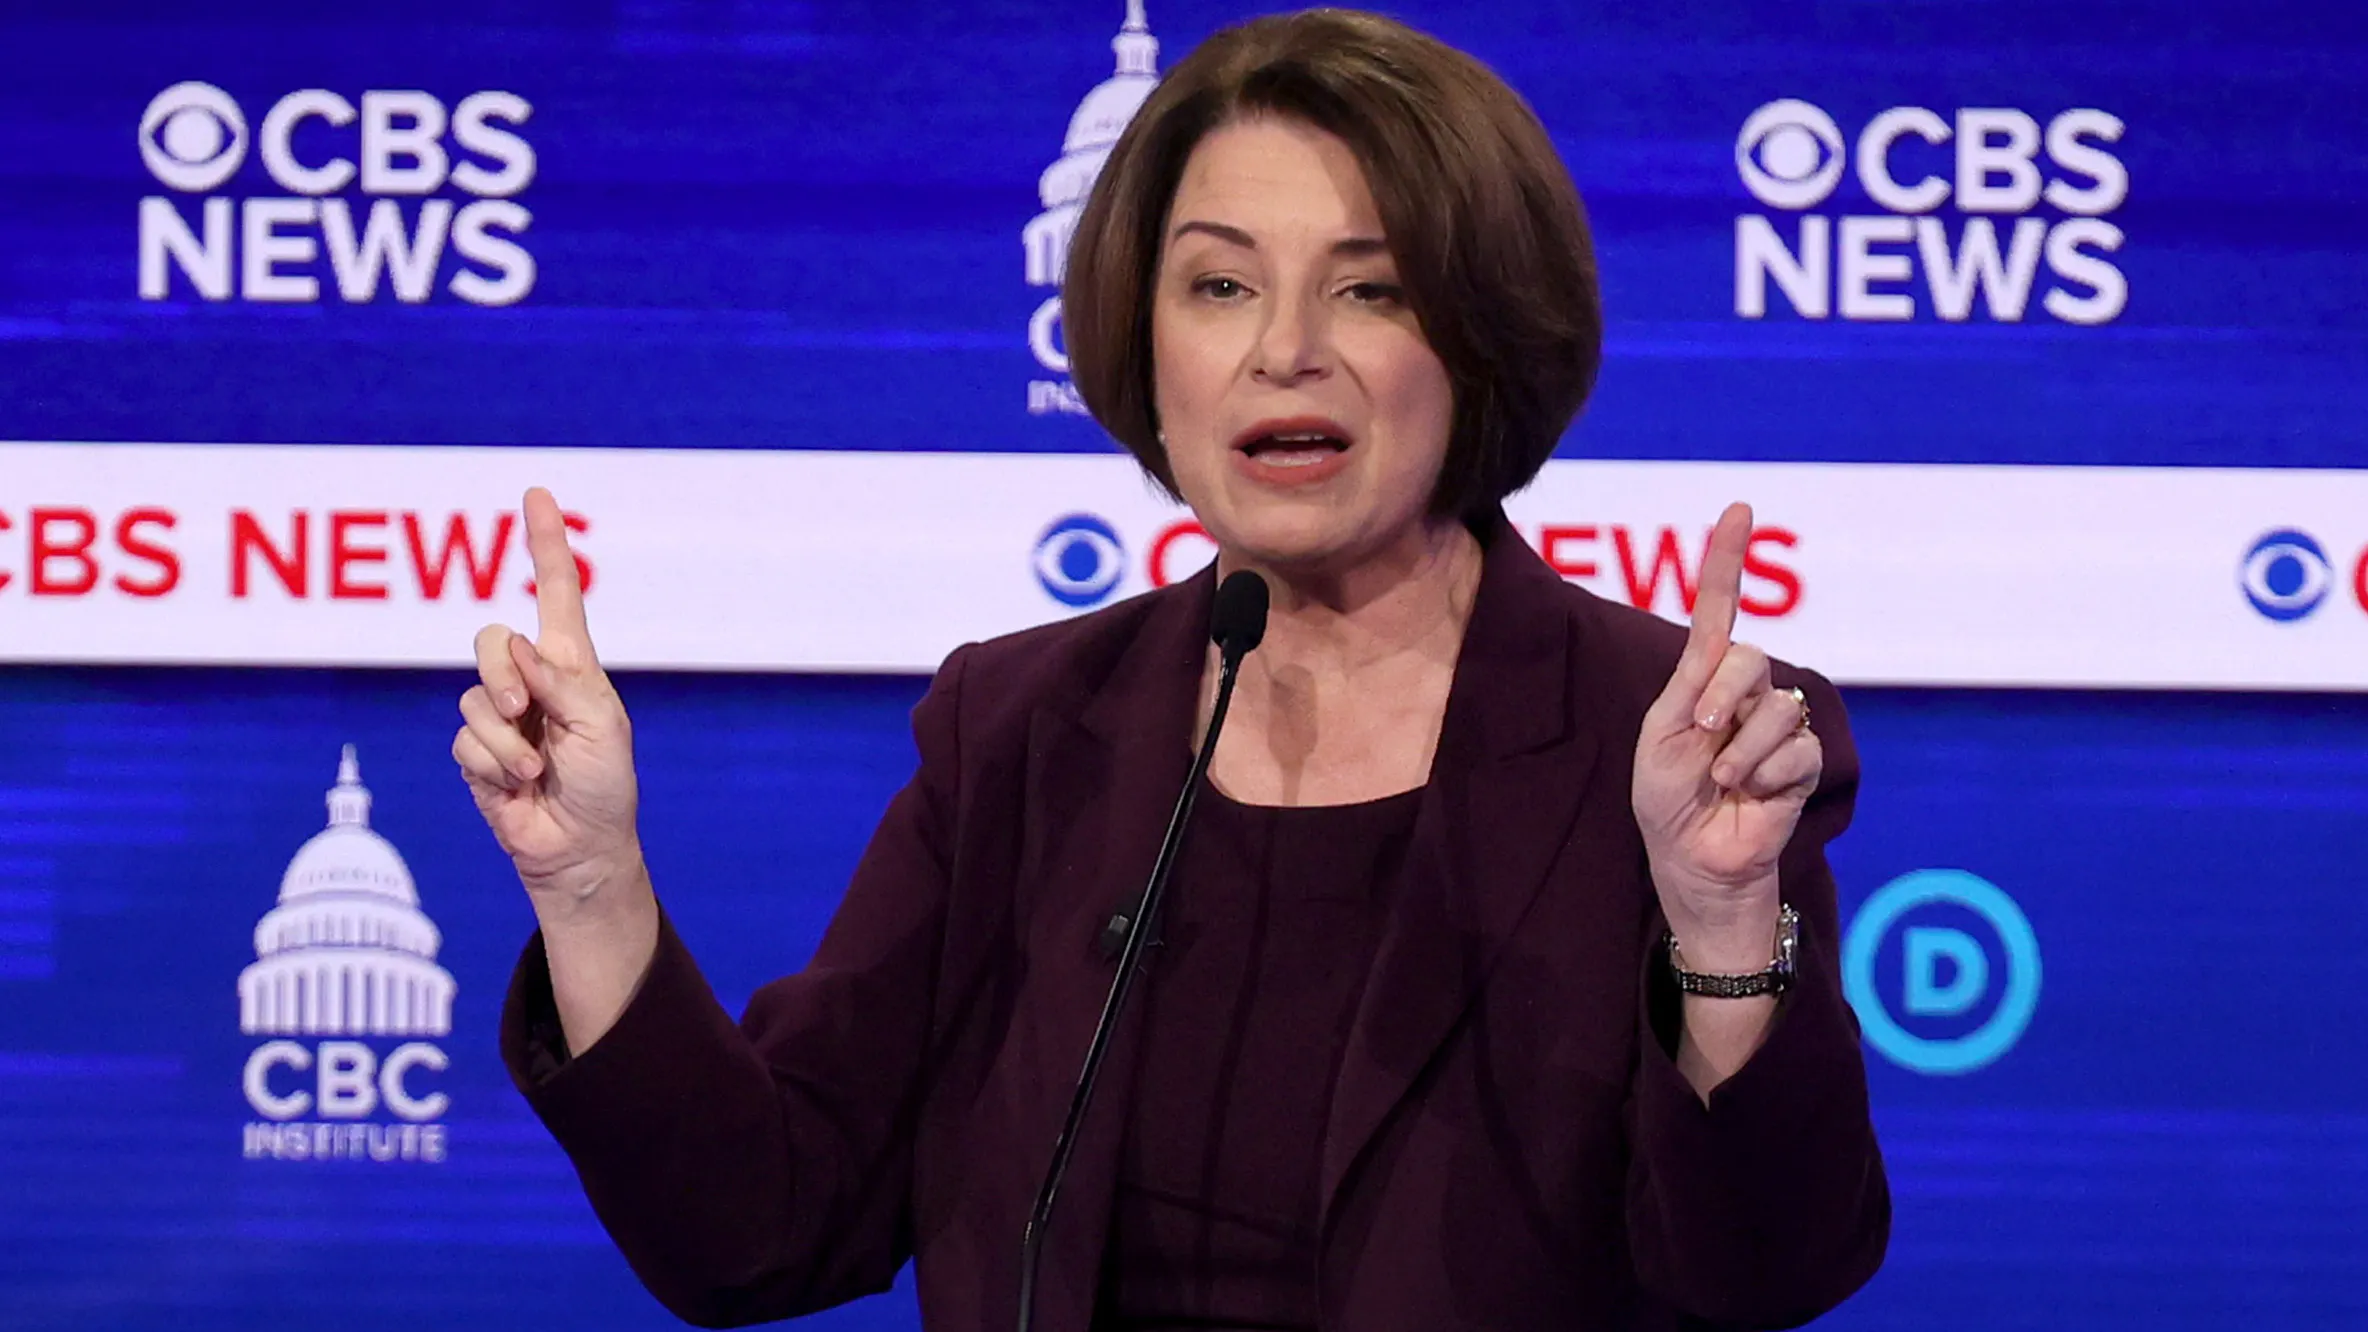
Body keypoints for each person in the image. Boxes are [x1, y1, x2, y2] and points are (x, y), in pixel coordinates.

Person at [456, 9, 1888, 1330]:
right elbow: (758, 1230)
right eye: (1219, 285)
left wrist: (1718, 930)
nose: (1285, 351)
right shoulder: (1019, 731)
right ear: (1145, 342)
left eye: (1370, 289)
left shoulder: (1667, 737)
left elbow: (1770, 1269)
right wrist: (591, 888)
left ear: (1486, 334)